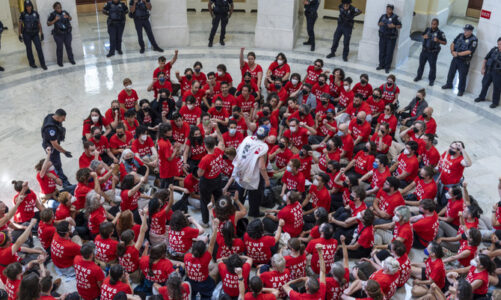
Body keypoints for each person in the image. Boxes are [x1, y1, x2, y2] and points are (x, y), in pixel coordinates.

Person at [229, 126, 270, 218]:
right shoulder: (263, 146)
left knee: (240, 191)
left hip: (240, 169)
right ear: (266, 136)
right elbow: (261, 167)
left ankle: (236, 211)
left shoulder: (247, 138)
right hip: (252, 173)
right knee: (255, 194)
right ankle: (253, 212)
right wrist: (266, 179)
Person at [442, 24, 478, 96]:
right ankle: (449, 84)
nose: (464, 31)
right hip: (455, 58)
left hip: (464, 61)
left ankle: (461, 90)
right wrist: (452, 51)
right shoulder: (460, 35)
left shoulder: (474, 40)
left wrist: (458, 54)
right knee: (451, 72)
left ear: (471, 31)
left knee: (462, 76)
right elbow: (453, 43)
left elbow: (470, 51)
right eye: (464, 29)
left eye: (466, 30)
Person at [41, 109, 71, 187]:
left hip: (50, 143)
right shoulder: (51, 129)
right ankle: (64, 183)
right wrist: (65, 152)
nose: (64, 120)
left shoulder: (50, 116)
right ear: (58, 117)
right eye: (63, 118)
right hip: (51, 148)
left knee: (55, 162)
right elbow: (54, 144)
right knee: (57, 164)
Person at [414, 18, 446, 86]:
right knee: (421, 65)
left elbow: (445, 42)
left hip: (433, 52)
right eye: (432, 24)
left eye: (434, 24)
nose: (433, 25)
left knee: (432, 67)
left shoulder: (440, 33)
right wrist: (424, 36)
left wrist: (438, 40)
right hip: (424, 50)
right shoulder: (427, 29)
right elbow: (422, 35)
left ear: (437, 24)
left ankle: (431, 80)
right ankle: (418, 76)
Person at [18, 1, 46, 70]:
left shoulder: (35, 13)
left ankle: (43, 64)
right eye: (27, 6)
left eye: (29, 6)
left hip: (35, 33)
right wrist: (19, 34)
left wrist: (41, 33)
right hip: (26, 34)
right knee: (29, 48)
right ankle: (32, 63)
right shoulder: (23, 14)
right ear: (25, 7)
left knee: (39, 48)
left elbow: (39, 23)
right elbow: (20, 25)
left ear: (31, 6)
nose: (28, 7)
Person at [474, 37, 501, 108]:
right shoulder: (494, 49)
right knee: (484, 84)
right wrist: (483, 68)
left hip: (498, 74)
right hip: (489, 71)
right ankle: (481, 97)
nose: (499, 46)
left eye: (500, 44)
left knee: (497, 88)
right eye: (498, 44)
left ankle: (495, 102)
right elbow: (486, 59)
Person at [47, 2, 75, 67]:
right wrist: (55, 20)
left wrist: (68, 17)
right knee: (59, 48)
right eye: (57, 8)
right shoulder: (53, 14)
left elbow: (71, 18)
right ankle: (59, 62)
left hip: (67, 33)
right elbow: (48, 24)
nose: (59, 9)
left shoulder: (64, 12)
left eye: (60, 7)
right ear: (54, 8)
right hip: (58, 34)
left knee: (68, 46)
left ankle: (71, 59)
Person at [376, 4, 401, 73]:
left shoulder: (395, 17)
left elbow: (400, 26)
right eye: (387, 9)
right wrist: (380, 24)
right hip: (383, 37)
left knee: (389, 53)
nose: (387, 10)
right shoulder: (383, 16)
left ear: (392, 10)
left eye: (389, 9)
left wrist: (394, 26)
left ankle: (387, 67)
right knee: (381, 52)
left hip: (391, 38)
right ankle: (381, 65)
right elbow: (378, 23)